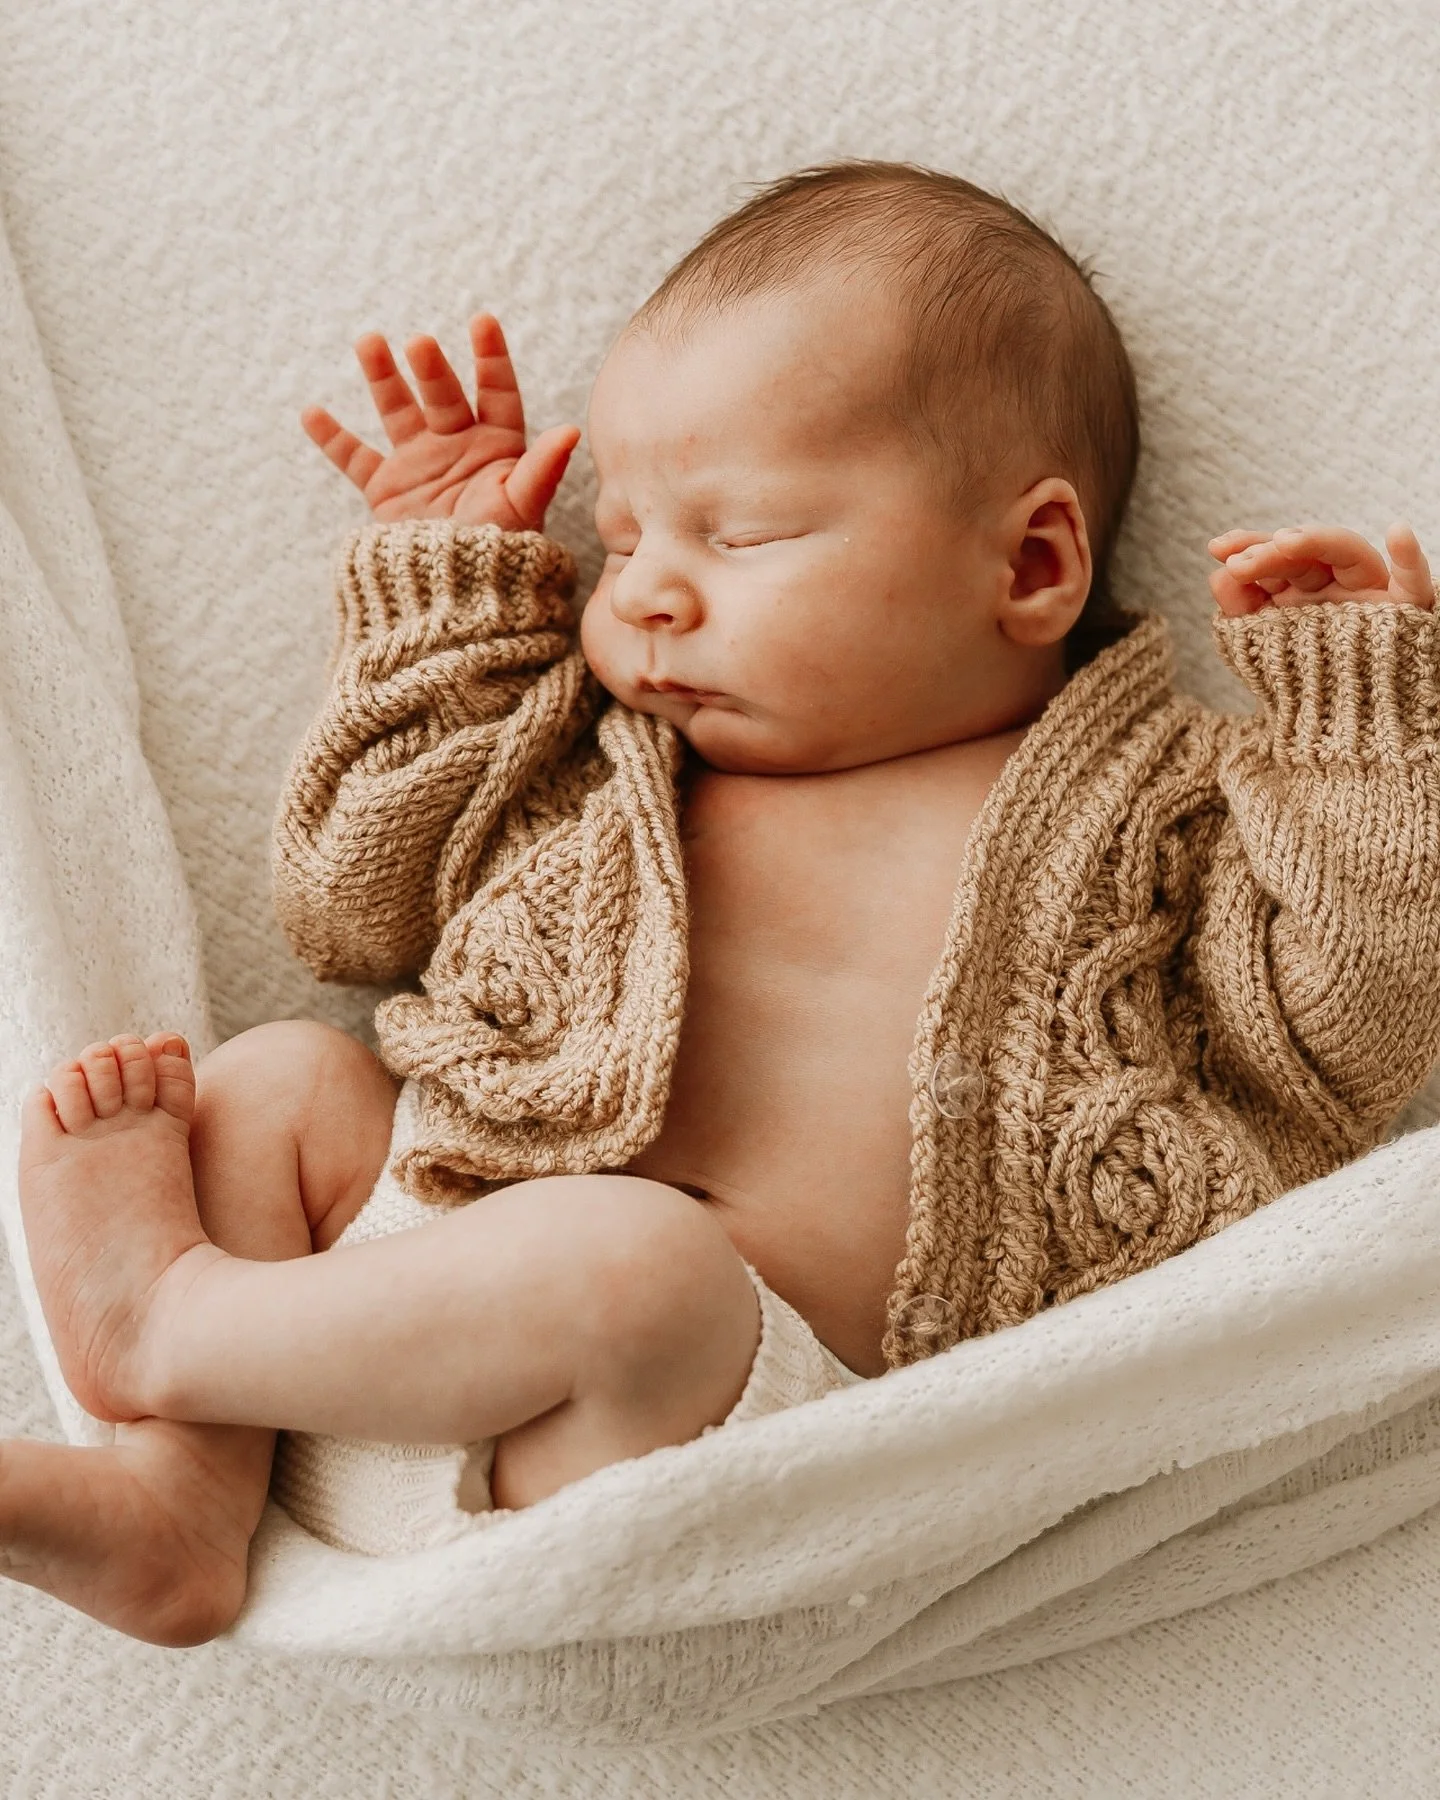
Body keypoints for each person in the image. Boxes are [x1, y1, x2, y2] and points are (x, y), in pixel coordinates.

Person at [7, 161, 1439, 1647]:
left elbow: (1339, 1043)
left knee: (640, 1267)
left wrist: (1358, 730)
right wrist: (453, 596)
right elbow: (349, 914)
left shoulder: (1164, 810)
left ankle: (163, 1327)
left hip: (679, 1440)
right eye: (622, 541)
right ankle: (178, 1503)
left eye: (737, 536)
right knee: (287, 1079)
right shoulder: (595, 758)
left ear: (1029, 563)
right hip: (377, 1322)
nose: (646, 595)